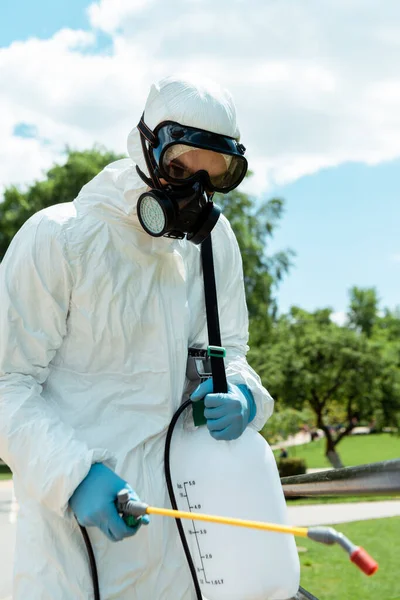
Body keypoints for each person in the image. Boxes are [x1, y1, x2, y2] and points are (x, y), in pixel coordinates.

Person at [0, 75, 274, 599]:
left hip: (182, 550)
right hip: (70, 551)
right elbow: (7, 383)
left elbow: (229, 353)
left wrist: (241, 392)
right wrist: (72, 475)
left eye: (212, 178)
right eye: (178, 168)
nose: (193, 192)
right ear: (144, 146)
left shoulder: (212, 245)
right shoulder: (59, 237)